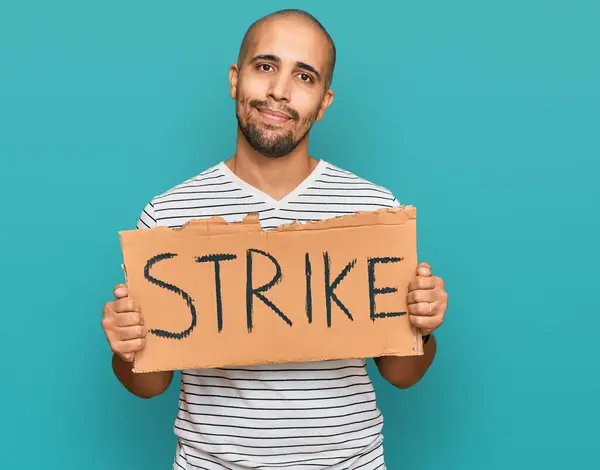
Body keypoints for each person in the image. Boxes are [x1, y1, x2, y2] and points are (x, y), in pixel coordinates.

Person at [101, 8, 448, 470]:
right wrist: (126, 347)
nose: (279, 91)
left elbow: (403, 375)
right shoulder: (169, 215)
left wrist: (423, 327)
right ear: (234, 78)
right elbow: (149, 384)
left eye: (304, 76)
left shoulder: (373, 209)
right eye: (265, 67)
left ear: (324, 102)